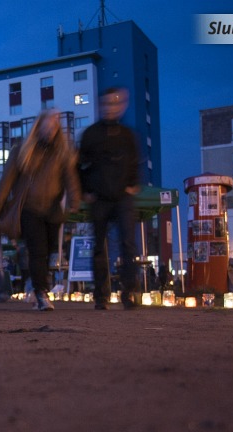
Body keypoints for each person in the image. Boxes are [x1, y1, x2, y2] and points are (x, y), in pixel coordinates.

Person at [0, 110, 81, 311]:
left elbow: (70, 178)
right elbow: (6, 182)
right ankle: (41, 293)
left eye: (54, 126)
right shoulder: (23, 151)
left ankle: (39, 286)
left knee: (48, 250)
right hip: (30, 209)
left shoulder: (62, 153)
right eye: (46, 125)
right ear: (38, 127)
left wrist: (74, 200)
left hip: (52, 210)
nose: (50, 130)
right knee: (37, 251)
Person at [79, 87, 141, 310]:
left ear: (123, 105)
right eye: (106, 103)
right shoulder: (90, 134)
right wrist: (84, 190)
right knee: (99, 247)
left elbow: (135, 161)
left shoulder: (127, 135)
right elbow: (80, 164)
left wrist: (133, 184)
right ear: (100, 105)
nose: (110, 108)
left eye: (115, 103)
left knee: (128, 244)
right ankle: (101, 295)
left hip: (123, 196)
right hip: (99, 198)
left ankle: (129, 292)